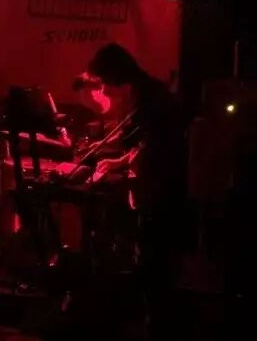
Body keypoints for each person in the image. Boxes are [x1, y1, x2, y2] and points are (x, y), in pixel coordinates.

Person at [85, 43, 190, 339]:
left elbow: (157, 157)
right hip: (158, 196)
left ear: (123, 81)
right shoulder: (150, 97)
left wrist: (124, 176)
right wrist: (119, 162)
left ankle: (156, 327)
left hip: (161, 200)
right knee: (153, 268)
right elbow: (143, 149)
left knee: (155, 272)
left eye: (106, 85)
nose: (105, 92)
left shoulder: (153, 106)